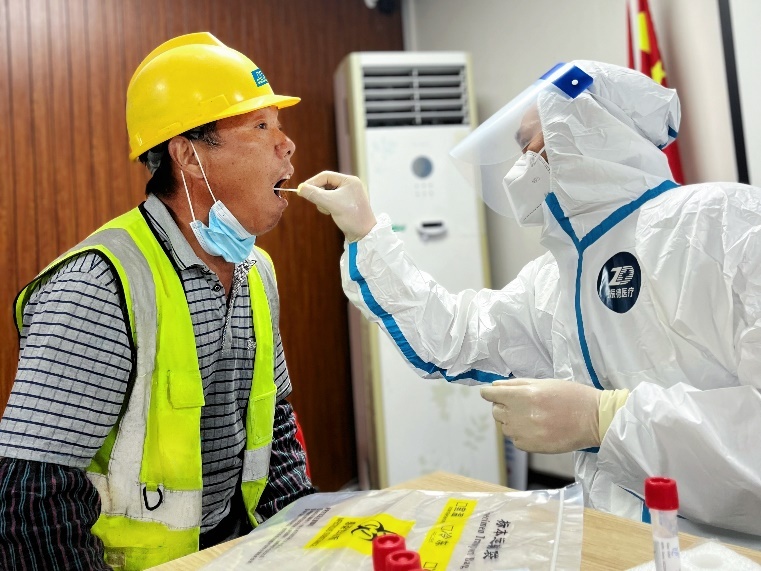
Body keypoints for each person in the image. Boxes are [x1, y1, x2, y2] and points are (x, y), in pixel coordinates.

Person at [298, 60, 761, 547]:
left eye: (532, 142)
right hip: (617, 538)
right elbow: (456, 337)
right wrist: (365, 232)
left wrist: (604, 417)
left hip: (729, 550)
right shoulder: (558, 274)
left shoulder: (725, 223)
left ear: (590, 129)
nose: (523, 162)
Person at [0, 32, 314, 570]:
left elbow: (275, 425)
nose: (287, 145)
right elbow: (30, 501)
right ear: (188, 154)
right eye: (261, 126)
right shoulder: (97, 285)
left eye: (278, 126)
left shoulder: (257, 271)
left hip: (236, 548)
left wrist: (305, 544)